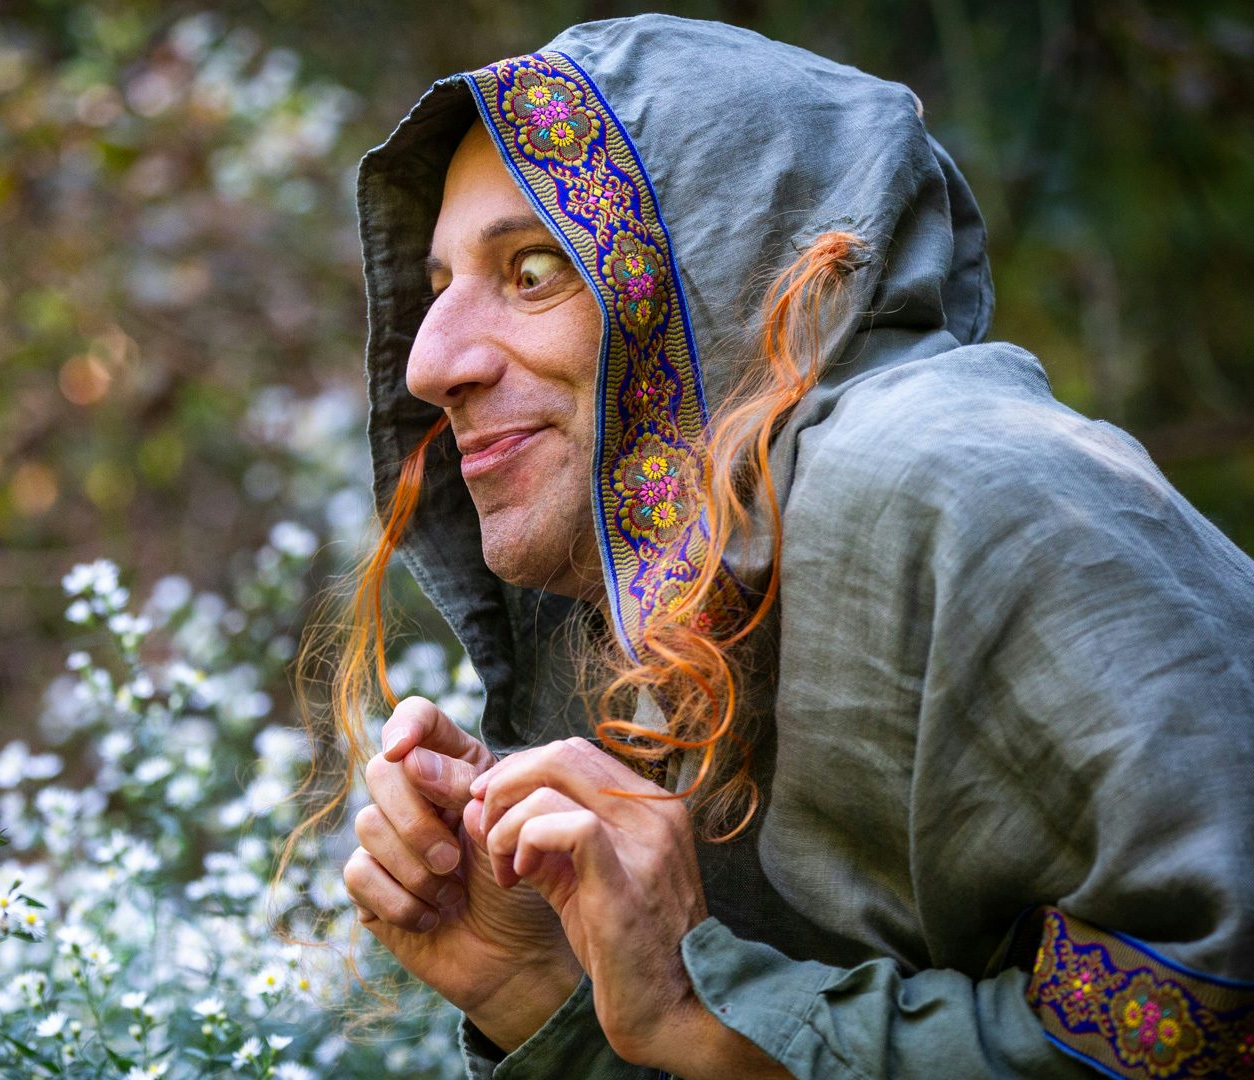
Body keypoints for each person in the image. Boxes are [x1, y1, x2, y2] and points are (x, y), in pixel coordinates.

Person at [328, 14, 1254, 1080]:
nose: (427, 365)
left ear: (729, 273)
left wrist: (700, 1008)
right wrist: (550, 998)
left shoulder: (958, 485)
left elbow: (1216, 1018)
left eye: (535, 269)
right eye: (437, 289)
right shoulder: (643, 595)